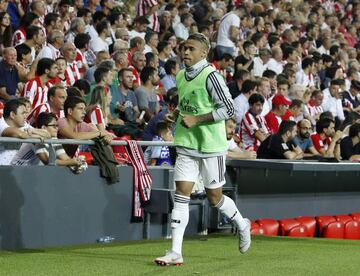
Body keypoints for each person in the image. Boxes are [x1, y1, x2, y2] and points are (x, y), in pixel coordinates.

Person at [155, 33, 251, 266]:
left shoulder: (212, 76)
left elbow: (229, 109)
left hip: (210, 146)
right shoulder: (180, 75)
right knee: (181, 194)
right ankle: (175, 251)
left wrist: (197, 120)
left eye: (191, 48)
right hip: (187, 143)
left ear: (203, 53)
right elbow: (186, 104)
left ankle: (241, 223)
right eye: (184, 48)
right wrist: (176, 114)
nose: (185, 52)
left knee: (214, 198)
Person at [11, 112, 83, 168]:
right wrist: (70, 163)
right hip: (17, 169)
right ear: (44, 127)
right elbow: (47, 161)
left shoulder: (53, 139)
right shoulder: (35, 139)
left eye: (57, 126)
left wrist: (76, 163)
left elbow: (65, 158)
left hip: (31, 171)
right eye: (54, 126)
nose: (57, 128)